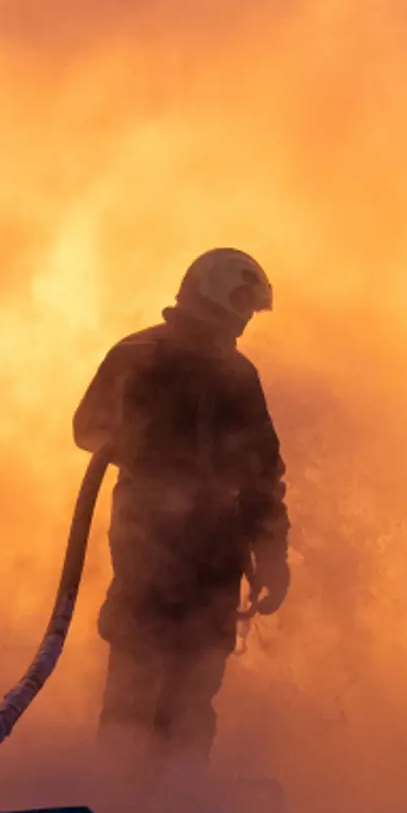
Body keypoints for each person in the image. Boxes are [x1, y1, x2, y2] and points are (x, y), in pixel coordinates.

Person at [73, 248, 290, 769]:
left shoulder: (237, 373)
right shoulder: (140, 354)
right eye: (241, 305)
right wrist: (142, 448)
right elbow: (88, 429)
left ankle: (174, 802)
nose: (242, 322)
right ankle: (121, 803)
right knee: (136, 676)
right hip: (149, 543)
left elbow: (262, 476)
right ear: (213, 292)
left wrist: (272, 554)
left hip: (215, 555)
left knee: (194, 692)